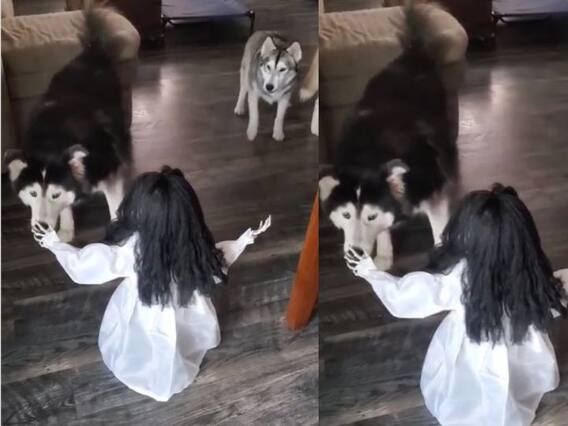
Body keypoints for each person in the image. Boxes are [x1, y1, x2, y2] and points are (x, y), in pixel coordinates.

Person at [32, 166, 271, 402]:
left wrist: (56, 245)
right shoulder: (187, 244)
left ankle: (155, 370)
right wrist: (241, 242)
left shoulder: (134, 249)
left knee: (148, 339)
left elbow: (90, 264)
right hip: (183, 306)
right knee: (177, 335)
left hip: (143, 307)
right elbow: (213, 261)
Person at [344, 183, 568, 426]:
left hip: (472, 344)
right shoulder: (528, 273)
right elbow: (554, 295)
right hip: (520, 342)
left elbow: (409, 297)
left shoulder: (460, 278)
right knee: (513, 376)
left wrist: (370, 272)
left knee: (472, 379)